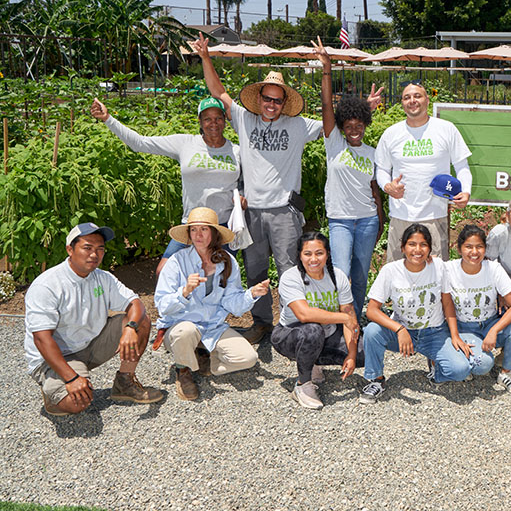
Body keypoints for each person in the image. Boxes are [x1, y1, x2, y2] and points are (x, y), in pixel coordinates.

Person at [193, 32, 378, 344]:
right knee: (255, 271)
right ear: (259, 99)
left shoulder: (298, 125)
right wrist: (206, 58)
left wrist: (362, 108)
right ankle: (262, 322)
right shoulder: (243, 118)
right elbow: (219, 91)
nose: (271, 105)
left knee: (291, 271)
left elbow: (337, 121)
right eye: (267, 98)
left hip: (284, 212)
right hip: (251, 212)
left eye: (277, 100)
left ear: (284, 103)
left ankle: (293, 323)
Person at [90, 96, 241, 275]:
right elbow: (140, 143)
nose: (213, 123)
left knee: (220, 278)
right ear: (199, 121)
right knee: (164, 271)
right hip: (190, 226)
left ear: (225, 121)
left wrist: (243, 197)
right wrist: (108, 119)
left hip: (221, 228)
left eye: (218, 118)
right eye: (207, 118)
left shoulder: (237, 151)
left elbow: (249, 182)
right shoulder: (185, 143)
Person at [25, 223, 163, 415]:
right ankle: (53, 391)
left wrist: (131, 328)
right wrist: (72, 379)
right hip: (55, 356)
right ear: (70, 249)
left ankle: (124, 382)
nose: (94, 254)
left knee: (141, 321)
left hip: (89, 345)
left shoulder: (102, 278)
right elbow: (42, 339)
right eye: (87, 248)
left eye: (100, 249)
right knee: (78, 403)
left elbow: (136, 304)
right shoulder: (47, 286)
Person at [154, 207, 268, 401]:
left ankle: (201, 360)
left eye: (204, 229)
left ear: (214, 233)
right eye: (193, 230)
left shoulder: (227, 262)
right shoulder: (176, 262)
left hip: (212, 327)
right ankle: (183, 371)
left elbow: (234, 305)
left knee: (247, 358)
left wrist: (251, 294)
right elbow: (162, 306)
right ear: (188, 234)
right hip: (179, 327)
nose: (198, 235)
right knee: (185, 332)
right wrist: (184, 292)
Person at [313, 37, 385, 321]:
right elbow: (327, 105)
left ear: (365, 125)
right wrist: (327, 68)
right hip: (341, 220)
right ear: (341, 128)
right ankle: (343, 320)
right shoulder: (335, 145)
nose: (354, 130)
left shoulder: (374, 152)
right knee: (341, 273)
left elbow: (375, 191)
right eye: (348, 126)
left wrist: (380, 221)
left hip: (367, 221)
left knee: (360, 274)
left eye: (359, 125)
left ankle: (356, 321)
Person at [359, 224, 472, 404]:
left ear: (429, 249)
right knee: (372, 331)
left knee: (461, 370)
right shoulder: (391, 271)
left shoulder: (438, 266)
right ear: (403, 247)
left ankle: (435, 365)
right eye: (412, 244)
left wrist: (455, 335)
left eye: (423, 245)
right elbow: (372, 310)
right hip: (404, 334)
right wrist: (399, 329)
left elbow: (447, 302)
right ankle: (376, 379)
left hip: (434, 332)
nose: (417, 250)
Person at [375, 82, 472, 262]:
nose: (412, 100)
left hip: (435, 216)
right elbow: (381, 169)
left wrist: (465, 191)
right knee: (398, 274)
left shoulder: (446, 129)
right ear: (402, 103)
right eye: (407, 97)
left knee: (435, 275)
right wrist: (387, 186)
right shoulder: (391, 134)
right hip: (400, 216)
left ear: (427, 100)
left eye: (417, 96)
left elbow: (462, 166)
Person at [272, 231, 362, 410]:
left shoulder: (338, 276)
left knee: (362, 352)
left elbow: (350, 320)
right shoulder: (290, 277)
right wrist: (345, 317)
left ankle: (312, 362)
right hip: (290, 335)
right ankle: (302, 385)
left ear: (327, 254)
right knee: (312, 330)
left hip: (326, 334)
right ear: (300, 255)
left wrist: (351, 355)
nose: (313, 259)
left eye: (319, 253)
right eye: (307, 254)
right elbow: (304, 315)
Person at [443, 225, 511, 395]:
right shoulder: (448, 269)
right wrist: (454, 335)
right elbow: (446, 306)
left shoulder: (493, 268)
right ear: (459, 249)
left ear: (485, 249)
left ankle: (506, 373)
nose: (474, 252)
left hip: (489, 323)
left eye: (479, 247)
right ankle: (458, 360)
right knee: (483, 365)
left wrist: (495, 330)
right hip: (464, 326)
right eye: (468, 247)